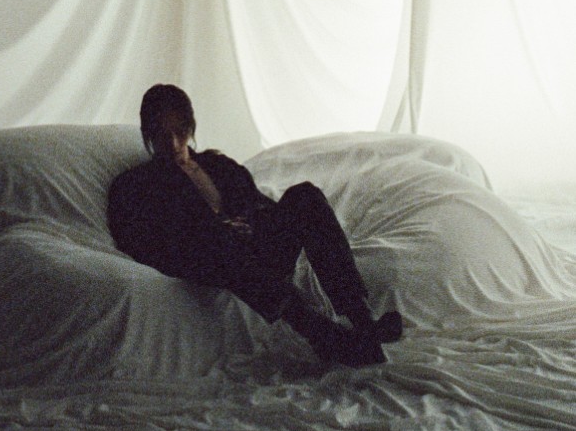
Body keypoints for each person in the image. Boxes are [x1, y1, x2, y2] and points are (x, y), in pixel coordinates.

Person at [108, 84, 402, 369]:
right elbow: (142, 240)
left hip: (257, 246)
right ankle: (323, 334)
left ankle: (362, 320)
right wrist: (214, 230)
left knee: (305, 195)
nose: (173, 144)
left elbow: (260, 204)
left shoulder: (218, 165)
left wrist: (251, 224)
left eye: (179, 131)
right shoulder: (138, 185)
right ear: (149, 135)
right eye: (162, 135)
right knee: (219, 240)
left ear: (190, 127)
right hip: (213, 258)